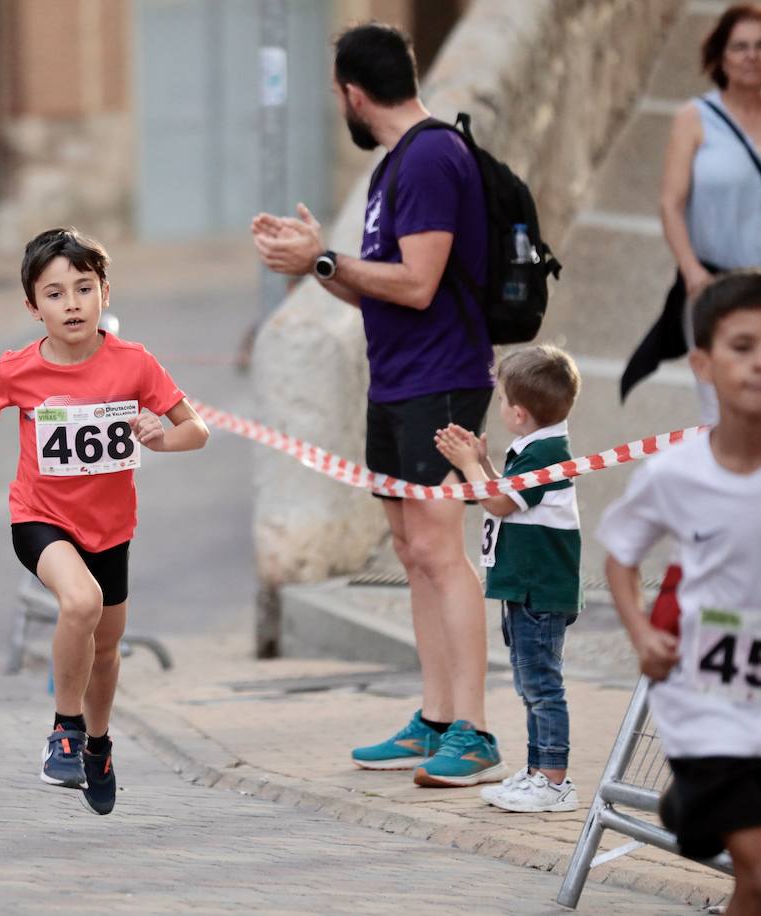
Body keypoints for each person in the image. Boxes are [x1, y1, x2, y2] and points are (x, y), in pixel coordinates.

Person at [250, 21, 500, 786]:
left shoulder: (429, 156)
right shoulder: (397, 166)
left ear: (353, 95)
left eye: (338, 97)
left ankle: (476, 733)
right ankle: (433, 719)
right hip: (396, 380)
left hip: (441, 379)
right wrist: (317, 255)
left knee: (439, 551)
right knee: (410, 551)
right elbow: (374, 287)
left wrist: (324, 258)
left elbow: (419, 281)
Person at [601, 269, 761, 915]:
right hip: (702, 709)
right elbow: (621, 554)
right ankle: (695, 793)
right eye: (742, 347)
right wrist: (641, 632)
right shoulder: (675, 472)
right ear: (704, 363)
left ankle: (690, 807)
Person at [0, 227, 208, 815]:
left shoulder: (134, 363)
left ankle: (97, 742)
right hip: (38, 519)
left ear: (104, 294)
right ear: (33, 307)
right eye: (56, 294)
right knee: (81, 604)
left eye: (83, 289)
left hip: (110, 528)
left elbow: (198, 429)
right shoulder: (18, 369)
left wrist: (161, 438)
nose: (72, 304)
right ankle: (63, 730)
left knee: (107, 650)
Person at [623, 2, 761, 422]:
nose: (752, 55)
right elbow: (671, 203)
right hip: (714, 281)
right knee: (719, 409)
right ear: (721, 55)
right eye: (740, 46)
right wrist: (692, 272)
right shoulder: (694, 118)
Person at [435, 345, 583, 808]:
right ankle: (539, 769)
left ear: (518, 413)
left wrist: (469, 467)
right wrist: (486, 465)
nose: (498, 409)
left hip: (538, 589)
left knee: (542, 686)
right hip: (524, 586)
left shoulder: (545, 456)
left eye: (500, 401)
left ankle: (555, 780)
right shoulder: (534, 451)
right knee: (530, 683)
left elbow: (498, 503)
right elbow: (511, 496)